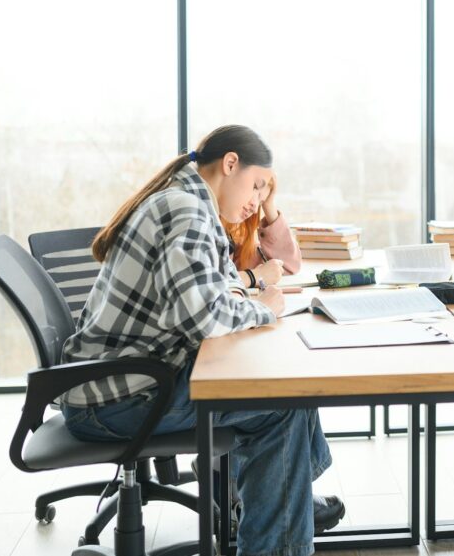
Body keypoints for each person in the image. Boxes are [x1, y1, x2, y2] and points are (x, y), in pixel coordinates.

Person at [60, 125, 342, 556]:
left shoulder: (189, 202)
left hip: (119, 382)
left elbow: (218, 289)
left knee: (284, 390)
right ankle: (282, 517)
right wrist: (267, 308)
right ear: (230, 165)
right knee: (282, 401)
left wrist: (248, 295)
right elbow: (202, 316)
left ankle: (284, 504)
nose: (256, 202)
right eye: (256, 186)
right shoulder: (186, 211)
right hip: (117, 399)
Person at [224, 172, 303, 291]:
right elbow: (210, 284)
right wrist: (255, 276)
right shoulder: (203, 223)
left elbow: (288, 265)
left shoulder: (236, 240)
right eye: (254, 190)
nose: (255, 208)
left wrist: (269, 205)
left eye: (261, 202)